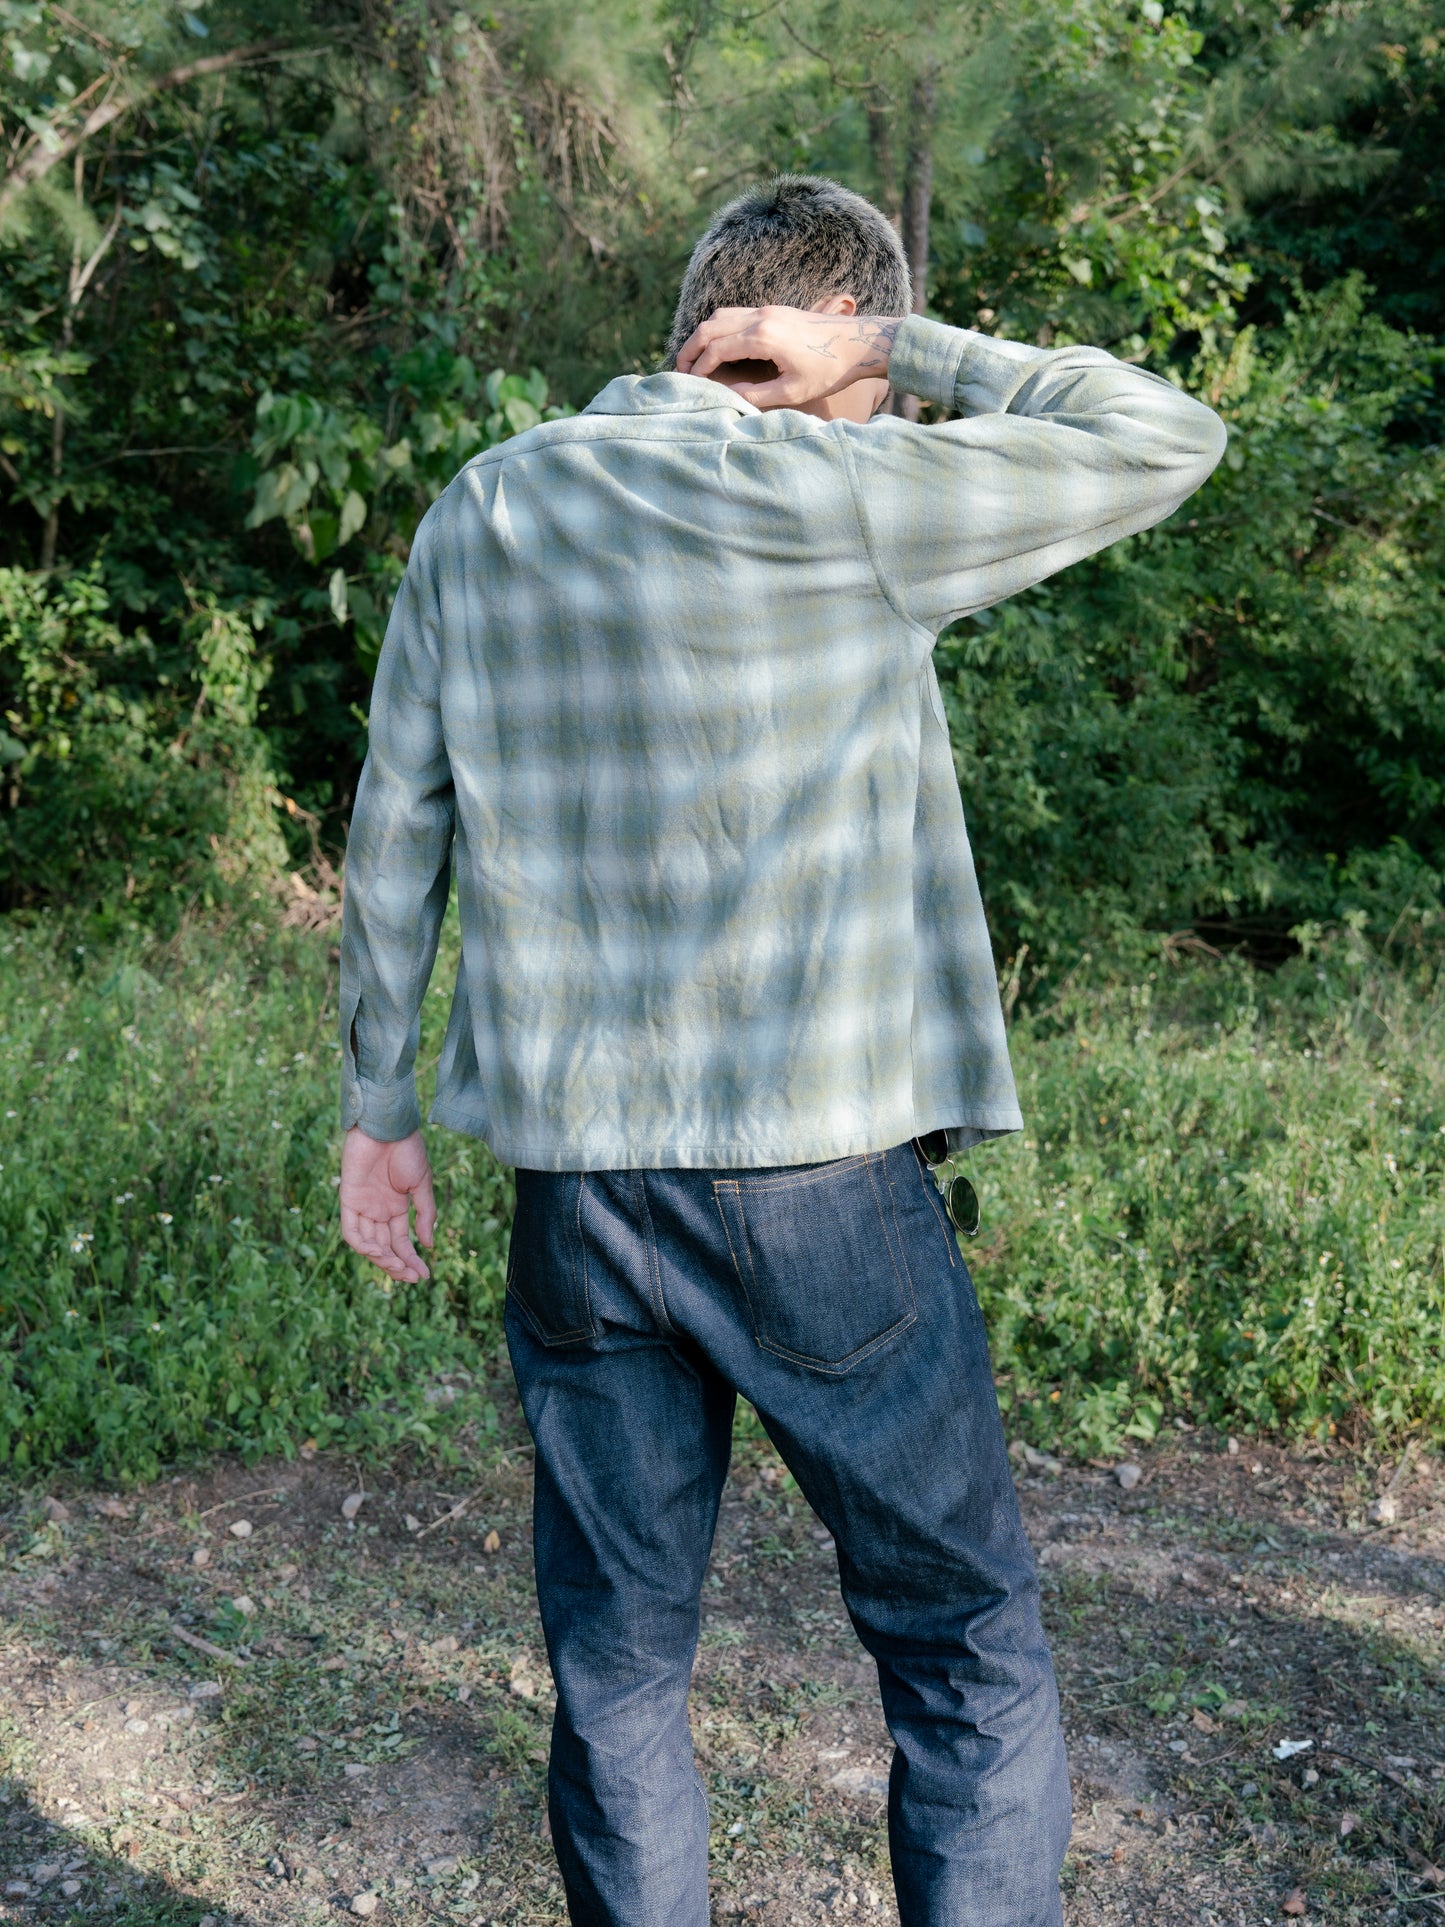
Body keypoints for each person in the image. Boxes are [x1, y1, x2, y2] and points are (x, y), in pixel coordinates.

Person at [337, 174, 1226, 1926]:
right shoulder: (844, 487)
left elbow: (393, 834)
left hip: (576, 1192)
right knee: (960, 1643)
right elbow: (1164, 432)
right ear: (825, 345)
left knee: (615, 1663)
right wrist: (900, 349)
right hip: (819, 1190)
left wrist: (381, 1114)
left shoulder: (484, 501)